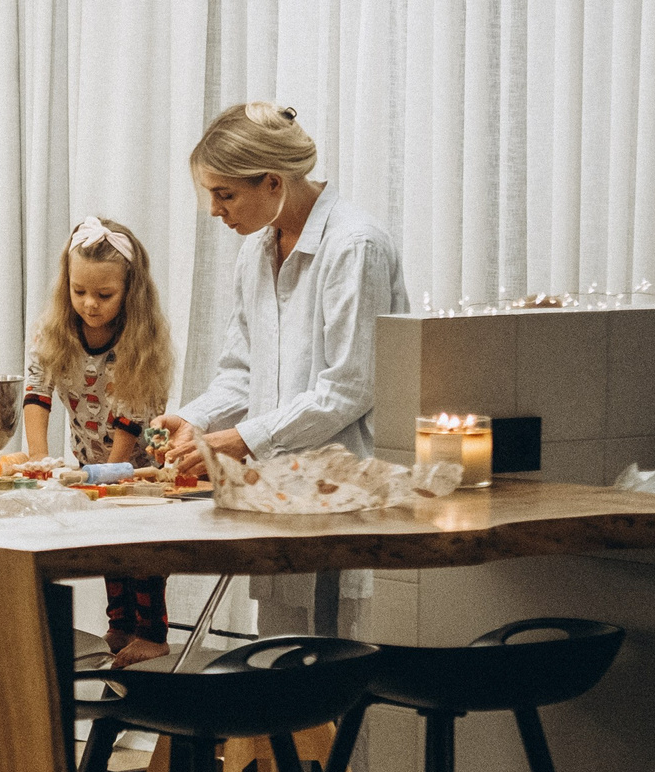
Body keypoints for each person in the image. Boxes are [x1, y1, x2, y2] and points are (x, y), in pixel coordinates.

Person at [155, 103, 408, 641]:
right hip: (278, 493)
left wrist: (244, 438)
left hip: (346, 492)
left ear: (272, 181)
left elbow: (350, 387)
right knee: (278, 662)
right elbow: (242, 372)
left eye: (225, 194)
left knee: (339, 664)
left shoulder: (354, 246)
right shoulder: (257, 251)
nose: (214, 211)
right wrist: (194, 420)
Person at [22, 215, 177, 664]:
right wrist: (39, 459)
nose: (89, 304)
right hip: (91, 460)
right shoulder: (55, 331)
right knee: (111, 548)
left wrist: (108, 473)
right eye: (79, 291)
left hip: (138, 468)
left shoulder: (139, 340)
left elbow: (131, 418)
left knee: (140, 552)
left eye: (104, 295)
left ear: (130, 291)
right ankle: (119, 627)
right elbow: (37, 392)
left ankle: (152, 634)